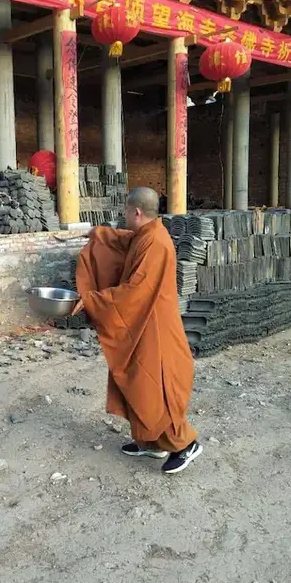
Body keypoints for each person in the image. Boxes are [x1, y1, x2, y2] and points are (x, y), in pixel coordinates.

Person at [74, 187, 202, 474]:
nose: (123, 217)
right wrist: (99, 233)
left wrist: (92, 300)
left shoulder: (156, 243)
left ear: (136, 212)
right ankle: (151, 442)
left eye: (125, 212)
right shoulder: (147, 234)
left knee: (156, 386)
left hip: (154, 326)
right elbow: (125, 242)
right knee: (135, 381)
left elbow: (136, 291)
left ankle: (184, 444)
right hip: (143, 322)